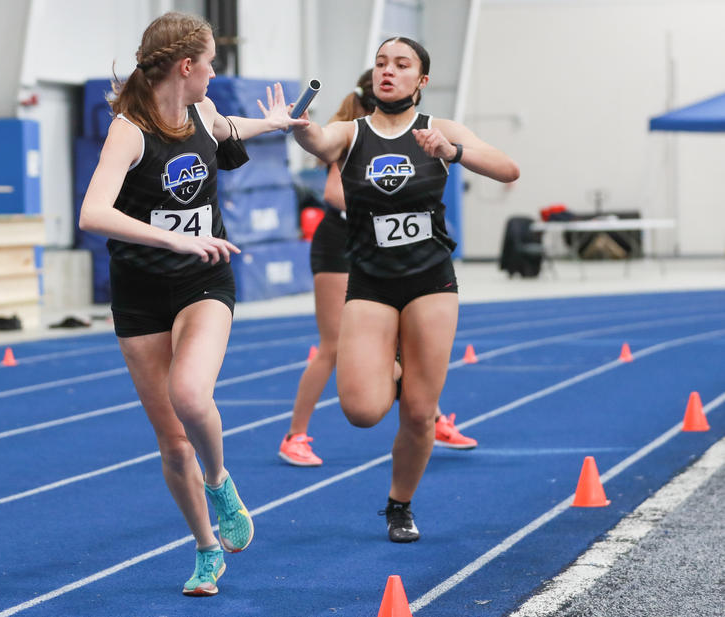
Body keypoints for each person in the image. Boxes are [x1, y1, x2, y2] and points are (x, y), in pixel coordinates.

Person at [78, 12, 306, 595]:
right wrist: (174, 235)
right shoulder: (130, 129)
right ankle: (207, 548)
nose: (213, 73)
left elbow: (228, 128)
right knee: (172, 440)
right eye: (210, 64)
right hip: (140, 292)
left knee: (189, 393)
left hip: (202, 280)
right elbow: (93, 213)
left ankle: (221, 478)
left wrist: (274, 123)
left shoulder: (203, 111)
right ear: (186, 66)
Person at [292, 37, 519, 541]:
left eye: (401, 64)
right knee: (361, 411)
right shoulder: (351, 133)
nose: (387, 71)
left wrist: (453, 152)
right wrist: (301, 127)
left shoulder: (438, 129)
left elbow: (508, 168)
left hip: (430, 281)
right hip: (370, 282)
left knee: (419, 413)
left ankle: (399, 505)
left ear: (422, 80)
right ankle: (401, 372)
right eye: (379, 63)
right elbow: (319, 143)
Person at [279, 70, 478, 468]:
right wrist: (384, 209)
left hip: (381, 249)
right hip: (343, 245)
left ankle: (430, 415)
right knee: (334, 346)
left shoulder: (408, 130)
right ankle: (295, 434)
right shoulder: (357, 132)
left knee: (407, 346)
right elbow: (334, 192)